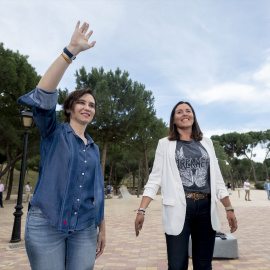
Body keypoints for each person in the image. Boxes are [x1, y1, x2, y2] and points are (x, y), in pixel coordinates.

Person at [17, 21, 105, 270]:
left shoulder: (94, 148)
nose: (88, 107)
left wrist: (102, 228)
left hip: (85, 228)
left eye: (92, 105)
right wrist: (71, 51)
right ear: (69, 108)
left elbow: (97, 194)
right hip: (46, 225)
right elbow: (43, 93)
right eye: (82, 103)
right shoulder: (53, 132)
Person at [135, 101, 237, 270]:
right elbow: (154, 179)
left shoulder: (207, 143)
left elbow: (217, 178)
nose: (184, 114)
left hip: (206, 208)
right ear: (173, 120)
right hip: (179, 207)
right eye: (179, 112)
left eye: (188, 111)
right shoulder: (165, 144)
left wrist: (229, 208)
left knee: (204, 265)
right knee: (176, 265)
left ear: (193, 117)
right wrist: (141, 210)